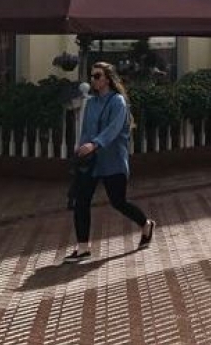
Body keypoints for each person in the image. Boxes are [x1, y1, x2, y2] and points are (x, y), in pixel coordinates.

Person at [65, 62, 154, 263]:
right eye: (91, 76)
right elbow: (86, 129)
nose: (93, 80)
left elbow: (113, 129)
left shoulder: (118, 101)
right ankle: (82, 247)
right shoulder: (91, 103)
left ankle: (146, 224)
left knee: (118, 201)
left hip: (112, 161)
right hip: (91, 162)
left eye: (97, 76)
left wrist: (95, 144)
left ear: (107, 79)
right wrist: (81, 148)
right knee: (81, 201)